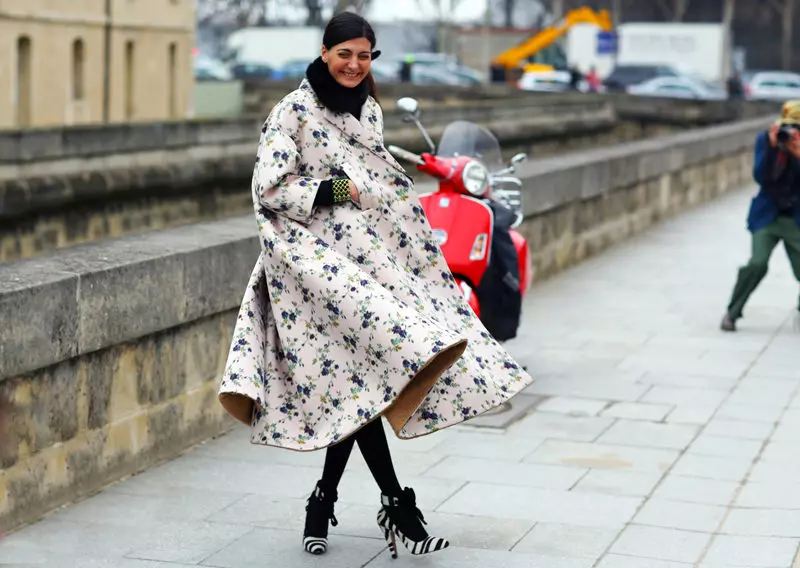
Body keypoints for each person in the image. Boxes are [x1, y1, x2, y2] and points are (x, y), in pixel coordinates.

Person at [217, 12, 533, 558]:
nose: (354, 64)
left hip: (368, 263)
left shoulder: (369, 108)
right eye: (345, 54)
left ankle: (324, 500)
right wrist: (340, 189)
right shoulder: (291, 112)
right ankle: (398, 507)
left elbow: (376, 178)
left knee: (356, 383)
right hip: (315, 271)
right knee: (358, 381)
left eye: (365, 55)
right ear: (323, 51)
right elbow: (269, 187)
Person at [721, 100, 800, 332]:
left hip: (796, 219)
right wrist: (774, 148)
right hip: (768, 216)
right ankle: (732, 313)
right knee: (757, 263)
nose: (791, 132)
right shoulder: (765, 140)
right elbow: (761, 178)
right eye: (788, 126)